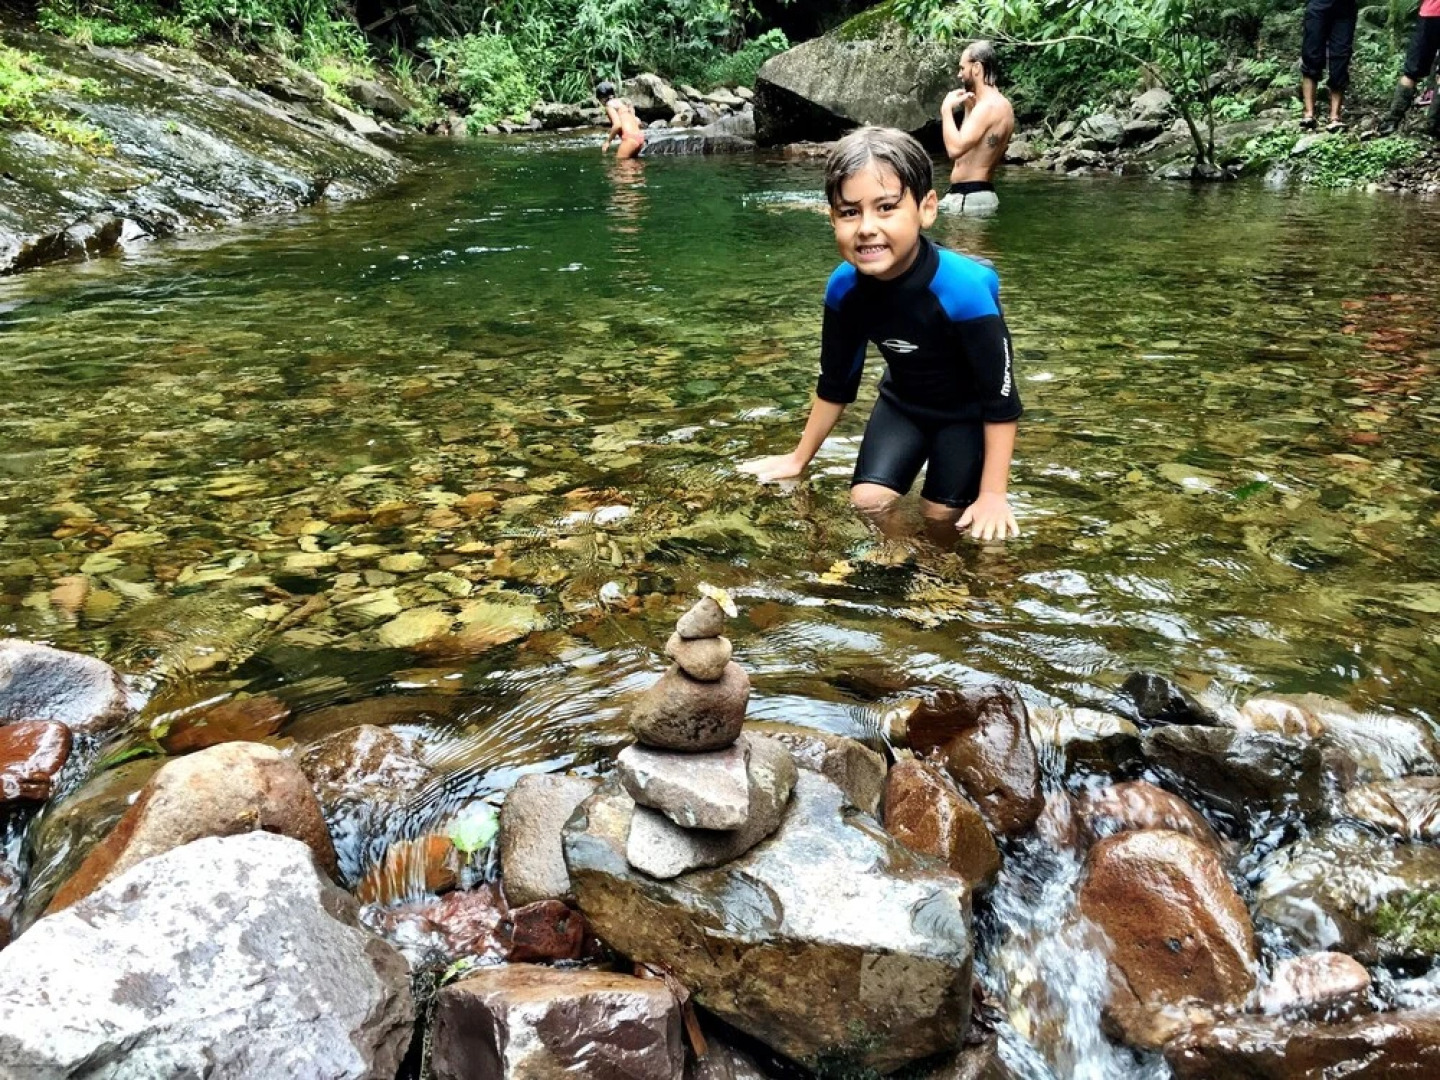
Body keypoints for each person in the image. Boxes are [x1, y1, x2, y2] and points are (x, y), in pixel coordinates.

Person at [739, 127, 1021, 544]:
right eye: (850, 212)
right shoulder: (844, 289)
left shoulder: (964, 289)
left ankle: (941, 582)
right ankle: (900, 562)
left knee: (941, 516)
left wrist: (993, 494)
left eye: (886, 207)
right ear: (831, 217)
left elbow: (1002, 399)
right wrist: (798, 459)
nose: (866, 227)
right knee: (868, 501)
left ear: (926, 209)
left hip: (968, 415)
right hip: (903, 404)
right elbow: (835, 384)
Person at [938, 41, 1014, 216]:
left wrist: (946, 110)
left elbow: (955, 149)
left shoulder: (987, 107)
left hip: (969, 197)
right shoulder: (999, 104)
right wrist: (968, 108)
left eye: (962, 68)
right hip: (975, 194)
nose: (959, 74)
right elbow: (970, 148)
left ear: (977, 68)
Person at [1378, 0, 1440, 137]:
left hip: (1430, 13)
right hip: (1431, 12)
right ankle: (1432, 125)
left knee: (1412, 71)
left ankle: (1391, 121)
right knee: (1411, 73)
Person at [1300, 0, 1358, 131]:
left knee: (1340, 59)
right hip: (1318, 5)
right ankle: (1308, 114)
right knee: (1311, 55)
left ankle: (1335, 117)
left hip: (1345, 9)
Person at [596, 81, 645, 159]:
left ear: (602, 98)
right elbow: (638, 122)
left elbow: (617, 125)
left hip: (630, 139)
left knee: (620, 166)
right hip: (640, 138)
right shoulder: (623, 105)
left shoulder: (609, 105)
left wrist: (607, 142)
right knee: (633, 167)